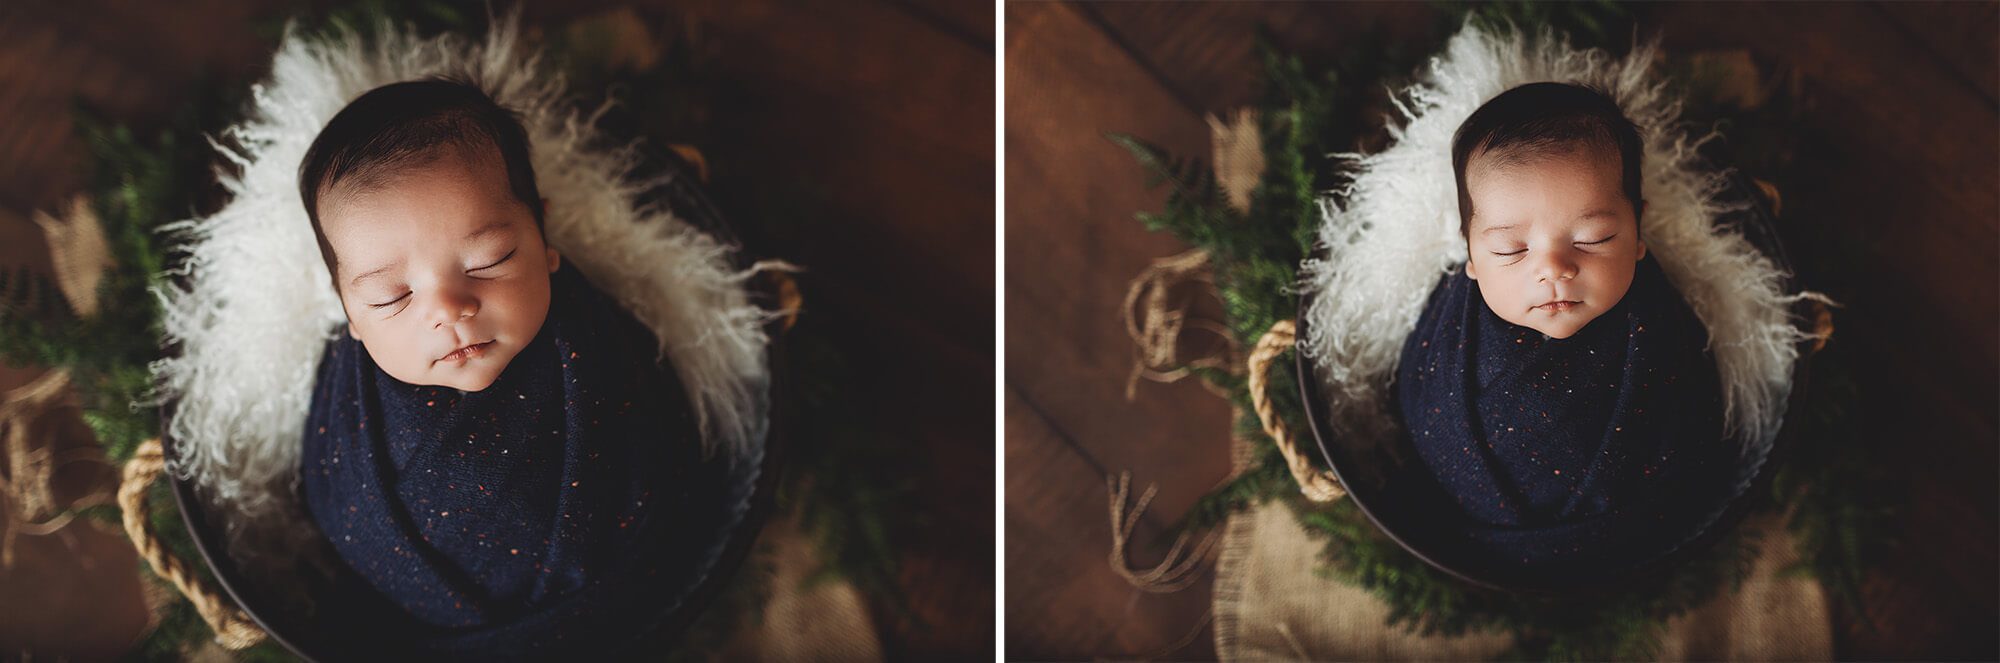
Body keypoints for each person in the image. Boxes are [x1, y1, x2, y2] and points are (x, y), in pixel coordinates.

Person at [294, 78, 721, 652]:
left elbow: (660, 444)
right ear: (348, 310)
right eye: (392, 296)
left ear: (543, 235)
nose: (448, 309)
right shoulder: (347, 401)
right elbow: (328, 492)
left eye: (489, 260)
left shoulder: (600, 341)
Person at [1393, 82, 1735, 581]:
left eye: (1593, 238)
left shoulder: (1662, 325)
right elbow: (1417, 401)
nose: (1553, 269)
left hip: (1639, 545)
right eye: (1511, 249)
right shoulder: (1450, 334)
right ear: (1470, 253)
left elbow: (1695, 413)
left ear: (1639, 231)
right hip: (1477, 547)